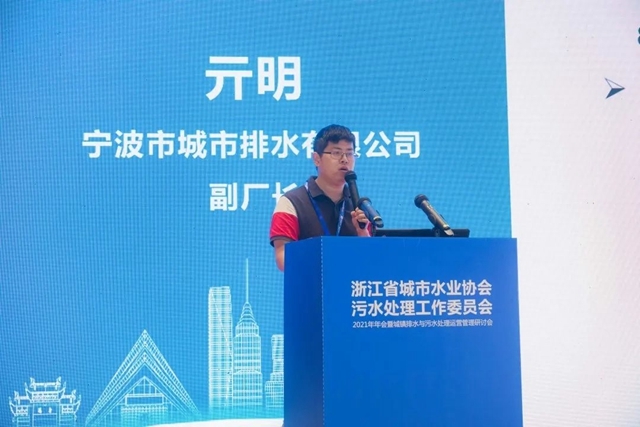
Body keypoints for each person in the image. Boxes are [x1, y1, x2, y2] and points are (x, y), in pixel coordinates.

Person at [269, 124, 371, 271]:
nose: (344, 159)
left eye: (349, 153)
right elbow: (282, 258)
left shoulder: (360, 206)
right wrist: (326, 260)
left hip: (351, 284)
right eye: (336, 153)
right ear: (316, 159)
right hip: (310, 284)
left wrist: (362, 232)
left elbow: (370, 259)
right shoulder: (291, 202)